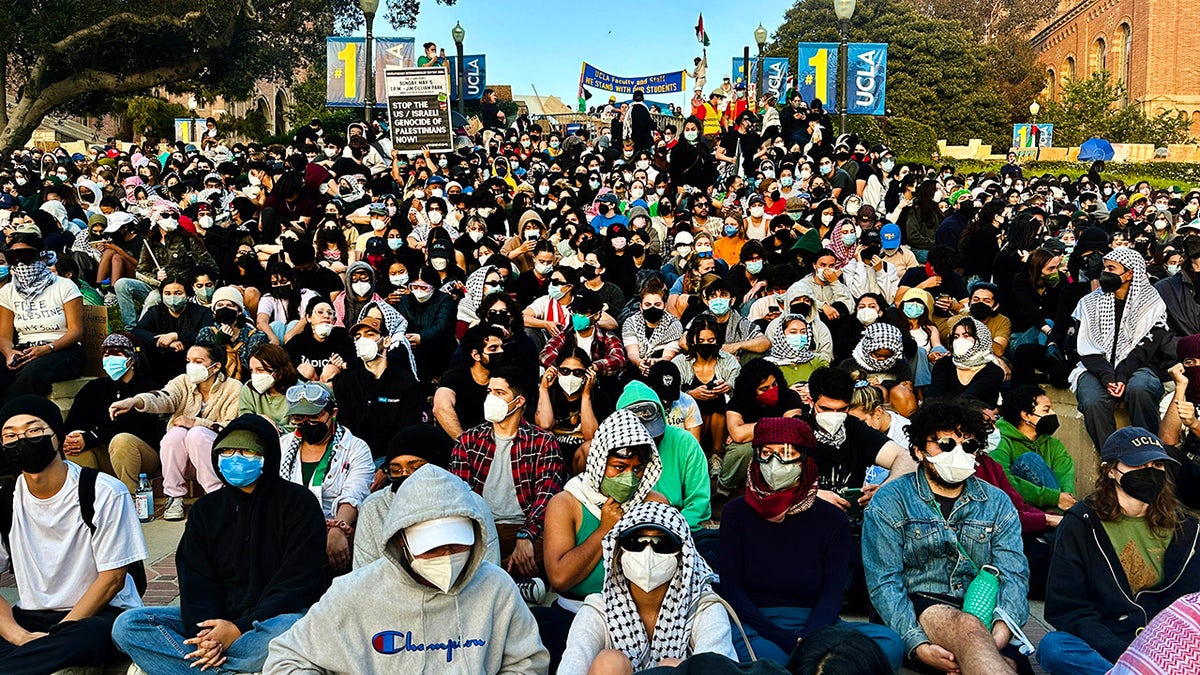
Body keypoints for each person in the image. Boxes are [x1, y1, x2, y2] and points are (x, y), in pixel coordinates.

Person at [263, 464, 551, 674]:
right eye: (433, 547)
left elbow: (527, 662)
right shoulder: (354, 593)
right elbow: (286, 658)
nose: (447, 556)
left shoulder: (496, 588)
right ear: (401, 541)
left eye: (458, 545)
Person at [112, 414, 327, 675]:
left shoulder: (298, 503)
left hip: (272, 619)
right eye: (228, 451)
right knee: (128, 625)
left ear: (267, 455)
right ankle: (226, 670)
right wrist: (205, 635)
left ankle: (188, 666)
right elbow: (196, 578)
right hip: (216, 617)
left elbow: (297, 581)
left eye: (247, 451)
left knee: (292, 628)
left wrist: (237, 630)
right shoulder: (206, 509)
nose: (236, 458)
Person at [718, 417, 904, 670]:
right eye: (767, 453)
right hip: (754, 624)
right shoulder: (735, 513)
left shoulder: (833, 519)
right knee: (764, 659)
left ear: (804, 458)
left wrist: (808, 640)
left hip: (818, 624)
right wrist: (780, 637)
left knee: (889, 642)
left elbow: (832, 593)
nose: (776, 463)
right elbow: (732, 589)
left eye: (787, 454)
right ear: (756, 457)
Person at [863, 397, 1030, 674]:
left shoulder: (997, 502)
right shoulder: (891, 501)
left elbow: (1013, 574)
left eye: (969, 445)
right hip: (917, 607)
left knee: (1007, 662)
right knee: (968, 628)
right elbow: (884, 583)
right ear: (918, 450)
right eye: (946, 444)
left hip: (984, 608)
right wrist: (917, 644)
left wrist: (999, 634)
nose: (959, 453)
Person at [0, 394, 148, 674]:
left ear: (57, 436)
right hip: (31, 616)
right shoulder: (5, 500)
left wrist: (60, 632)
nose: (22, 440)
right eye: (10, 435)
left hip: (97, 614)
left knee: (88, 638)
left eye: (34, 430)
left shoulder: (104, 491)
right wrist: (18, 636)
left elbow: (112, 580)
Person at [1039, 427, 1200, 675]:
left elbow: (1191, 601)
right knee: (1054, 647)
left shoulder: (1186, 527)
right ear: (1111, 470)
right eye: (1140, 466)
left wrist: (1158, 649)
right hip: (1108, 642)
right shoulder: (1081, 523)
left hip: (1169, 646)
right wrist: (1122, 652)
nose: (1151, 473)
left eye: (1158, 465)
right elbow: (1069, 608)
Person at [539, 409, 670, 669]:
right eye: (619, 467)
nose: (629, 478)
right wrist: (604, 530)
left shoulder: (654, 503)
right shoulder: (567, 504)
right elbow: (560, 577)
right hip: (576, 613)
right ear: (600, 462)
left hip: (640, 617)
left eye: (637, 469)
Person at [558, 502, 737, 674]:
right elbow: (573, 664)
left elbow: (718, 668)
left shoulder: (704, 609)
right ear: (619, 553)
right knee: (610, 662)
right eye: (635, 542)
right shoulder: (600, 609)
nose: (648, 553)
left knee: (672, 667)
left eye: (663, 544)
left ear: (682, 556)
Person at [450, 367, 563, 581]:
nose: (491, 398)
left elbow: (547, 496)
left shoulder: (543, 442)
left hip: (526, 527)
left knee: (553, 549)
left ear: (519, 402)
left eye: (500, 393)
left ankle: (493, 576)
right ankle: (511, 579)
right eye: (489, 391)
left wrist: (526, 535)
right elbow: (459, 495)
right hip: (482, 527)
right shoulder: (468, 441)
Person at [109, 343, 242, 521]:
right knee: (175, 433)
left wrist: (196, 422)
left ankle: (216, 495)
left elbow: (231, 426)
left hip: (216, 457)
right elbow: (163, 397)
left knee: (196, 434)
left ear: (216, 366)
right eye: (188, 361)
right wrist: (135, 401)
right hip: (184, 460)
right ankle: (174, 496)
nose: (191, 366)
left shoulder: (233, 387)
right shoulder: (183, 382)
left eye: (198, 361)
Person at [351, 424, 493, 569]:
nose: (406, 476)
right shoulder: (375, 508)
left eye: (416, 468)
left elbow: (488, 574)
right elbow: (364, 574)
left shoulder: (473, 506)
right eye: (396, 470)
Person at [1072, 247, 1171, 450]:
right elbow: (1085, 346)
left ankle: (1149, 452)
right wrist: (1108, 377)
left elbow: (1146, 348)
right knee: (1091, 400)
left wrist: (1122, 375)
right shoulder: (1089, 302)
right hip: (1095, 367)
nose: (1105, 273)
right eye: (1104, 268)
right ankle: (1112, 458)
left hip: (1138, 366)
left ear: (1130, 274)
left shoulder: (1151, 303)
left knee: (1140, 389)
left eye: (1111, 268)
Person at [277, 382, 373, 573]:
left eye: (314, 416)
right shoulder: (282, 446)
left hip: (332, 527)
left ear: (333, 413)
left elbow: (354, 494)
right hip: (287, 529)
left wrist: (338, 529)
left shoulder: (356, 448)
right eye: (299, 418)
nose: (307, 423)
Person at [62, 333, 166, 493]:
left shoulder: (146, 387)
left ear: (131, 358)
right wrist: (78, 437)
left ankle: (131, 497)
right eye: (105, 353)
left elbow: (134, 427)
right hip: (105, 453)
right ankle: (90, 496)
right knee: (74, 442)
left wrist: (91, 437)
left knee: (121, 441)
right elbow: (75, 422)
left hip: (140, 455)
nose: (109, 358)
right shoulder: (94, 388)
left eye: (116, 353)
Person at [614, 380, 712, 531]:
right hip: (627, 524)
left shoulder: (685, 442)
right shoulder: (612, 448)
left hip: (679, 525)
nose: (649, 442)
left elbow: (699, 503)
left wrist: (671, 529)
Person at [0, 232, 86, 399]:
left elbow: (75, 331)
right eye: (13, 257)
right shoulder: (8, 291)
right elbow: (4, 335)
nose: (20, 263)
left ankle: (10, 417)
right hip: (24, 347)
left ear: (41, 257)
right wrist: (9, 352)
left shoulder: (64, 286)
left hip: (61, 349)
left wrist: (46, 349)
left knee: (32, 376)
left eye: (26, 255)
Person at [331, 314, 423, 457]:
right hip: (353, 457)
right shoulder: (346, 383)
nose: (362, 340)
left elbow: (407, 432)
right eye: (358, 337)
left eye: (369, 334)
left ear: (386, 341)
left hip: (391, 458)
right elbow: (345, 430)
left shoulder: (406, 384)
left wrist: (385, 467)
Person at [991, 385, 1076, 512]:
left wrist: (1066, 497)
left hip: (1055, 508)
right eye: (1046, 410)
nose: (1053, 414)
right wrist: (1055, 498)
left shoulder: (1054, 444)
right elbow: (1003, 480)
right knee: (1029, 459)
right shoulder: (1000, 441)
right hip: (1015, 508)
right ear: (1025, 415)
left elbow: (1065, 475)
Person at [131, 273, 213, 378]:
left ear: (187, 295)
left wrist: (176, 336)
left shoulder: (203, 312)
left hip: (191, 365)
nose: (172, 297)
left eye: (178, 293)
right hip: (158, 364)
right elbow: (138, 332)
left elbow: (206, 334)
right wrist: (163, 342)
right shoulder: (155, 311)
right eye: (167, 293)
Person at [433, 324, 506, 441]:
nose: (501, 352)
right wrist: (464, 444)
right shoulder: (455, 376)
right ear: (476, 355)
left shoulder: (507, 377)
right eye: (493, 348)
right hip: (458, 443)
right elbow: (441, 408)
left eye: (501, 347)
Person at [927, 317, 1005, 407]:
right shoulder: (944, 364)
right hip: (941, 417)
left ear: (981, 339)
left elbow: (969, 398)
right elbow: (932, 397)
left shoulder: (994, 371)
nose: (960, 340)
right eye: (956, 337)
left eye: (966, 336)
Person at [197, 286, 269, 381]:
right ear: (214, 311)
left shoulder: (256, 336)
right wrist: (218, 341)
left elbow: (253, 366)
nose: (224, 308)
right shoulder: (206, 332)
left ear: (239, 311)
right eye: (220, 305)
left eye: (230, 305)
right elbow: (201, 362)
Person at [284, 298, 355, 383]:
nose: (326, 316)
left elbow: (354, 367)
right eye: (320, 312)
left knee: (330, 369)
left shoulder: (343, 339)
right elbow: (284, 369)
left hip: (332, 390)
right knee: (305, 369)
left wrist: (343, 365)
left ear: (333, 321)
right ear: (309, 317)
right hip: (305, 390)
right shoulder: (298, 342)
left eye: (330, 313)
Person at [239, 343, 300, 432]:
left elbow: (297, 428)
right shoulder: (249, 388)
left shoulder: (299, 390)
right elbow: (245, 420)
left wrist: (271, 427)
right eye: (252, 370)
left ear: (278, 370)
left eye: (260, 370)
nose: (255, 375)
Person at [763, 313, 828, 386]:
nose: (799, 336)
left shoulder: (817, 360)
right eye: (793, 332)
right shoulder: (768, 365)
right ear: (781, 335)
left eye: (803, 332)